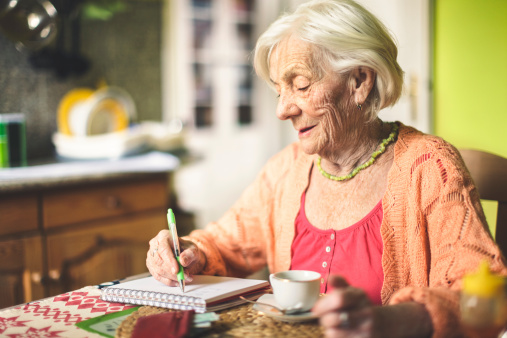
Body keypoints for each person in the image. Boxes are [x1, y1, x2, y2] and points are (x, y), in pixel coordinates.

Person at [147, 0, 507, 337]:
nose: (283, 109)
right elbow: (222, 245)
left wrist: (390, 321)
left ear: (360, 82)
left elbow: (488, 297)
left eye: (300, 85)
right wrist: (187, 251)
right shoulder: (286, 170)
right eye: (279, 91)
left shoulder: (430, 168)